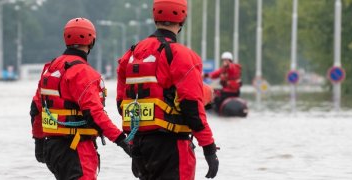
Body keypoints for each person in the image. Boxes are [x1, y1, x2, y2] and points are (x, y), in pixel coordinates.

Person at [115, 0, 219, 179]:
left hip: (139, 147)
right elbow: (191, 107)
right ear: (183, 19)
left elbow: (121, 104)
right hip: (171, 146)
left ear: (155, 17)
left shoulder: (131, 54)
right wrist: (209, 148)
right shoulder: (180, 55)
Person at [29, 17, 130, 180]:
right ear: (92, 41)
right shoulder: (83, 72)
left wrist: (39, 142)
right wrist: (121, 140)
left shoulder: (51, 68)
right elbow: (95, 114)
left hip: (53, 149)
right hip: (76, 148)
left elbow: (36, 108)